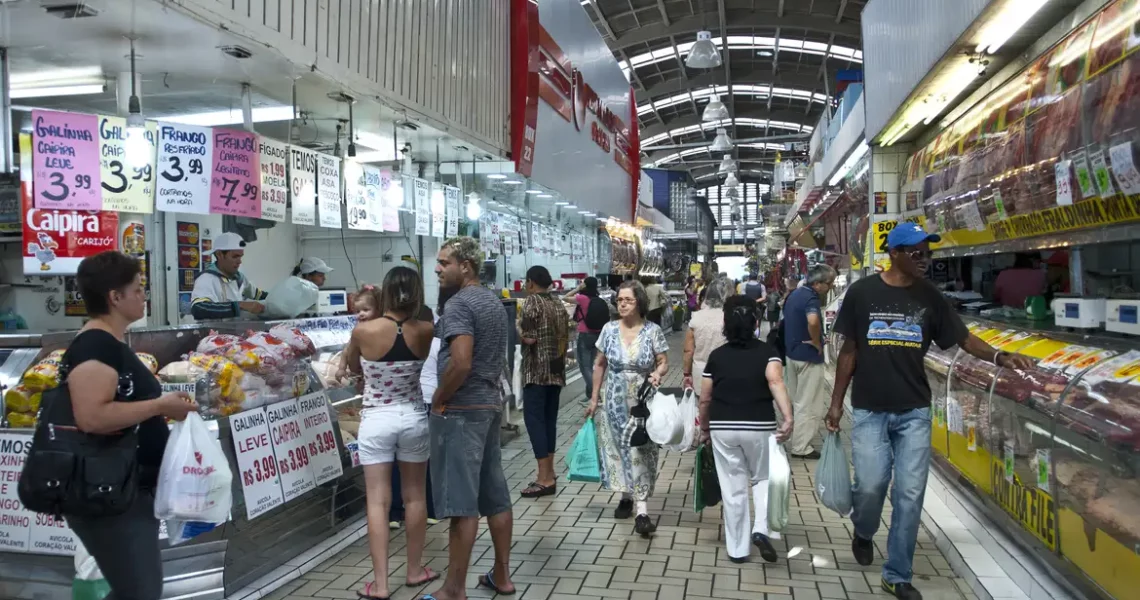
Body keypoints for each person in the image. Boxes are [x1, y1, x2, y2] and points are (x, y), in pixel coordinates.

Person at [828, 223, 1035, 600]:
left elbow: (963, 338)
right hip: (870, 409)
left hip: (914, 412)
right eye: (917, 253)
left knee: (909, 492)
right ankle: (863, 528)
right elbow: (849, 352)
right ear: (894, 253)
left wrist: (1000, 356)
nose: (925, 260)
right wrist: (835, 404)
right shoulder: (861, 294)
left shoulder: (930, 297)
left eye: (928, 253)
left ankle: (897, 574)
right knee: (872, 486)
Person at [62, 251, 198, 600]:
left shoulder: (110, 344)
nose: (144, 296)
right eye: (138, 289)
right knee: (139, 590)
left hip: (126, 488)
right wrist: (158, 405)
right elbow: (92, 417)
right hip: (112, 493)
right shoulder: (95, 346)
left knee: (136, 588)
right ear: (115, 297)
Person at [342, 267, 437, 600]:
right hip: (412, 416)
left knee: (378, 502)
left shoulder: (363, 331)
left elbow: (353, 368)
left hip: (376, 419)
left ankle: (381, 585)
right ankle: (414, 571)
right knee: (415, 497)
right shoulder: (426, 330)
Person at [430, 236, 516, 599]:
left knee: (462, 504)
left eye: (444, 262)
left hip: (462, 408)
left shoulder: (460, 304)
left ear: (465, 266)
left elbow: (461, 361)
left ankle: (453, 589)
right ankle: (502, 576)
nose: (437, 268)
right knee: (495, 495)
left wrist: (438, 398)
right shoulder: (493, 302)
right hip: (490, 404)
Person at [698, 296, 793, 564]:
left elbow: (705, 397)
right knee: (762, 478)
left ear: (726, 324)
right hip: (760, 425)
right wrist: (787, 417)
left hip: (723, 427)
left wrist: (704, 428)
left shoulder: (716, 357)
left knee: (733, 487)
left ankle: (738, 550)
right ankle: (761, 529)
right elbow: (775, 381)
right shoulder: (768, 352)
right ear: (755, 321)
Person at [586, 280, 669, 537]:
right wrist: (594, 397)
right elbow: (599, 364)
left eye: (628, 300)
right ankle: (625, 495)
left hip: (643, 400)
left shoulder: (652, 330)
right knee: (618, 447)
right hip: (615, 399)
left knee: (641, 449)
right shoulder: (609, 330)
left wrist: (657, 374)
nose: (622, 304)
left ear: (639, 303)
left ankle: (642, 511)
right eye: (619, 300)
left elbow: (663, 360)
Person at [517, 266, 570, 498]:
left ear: (530, 282)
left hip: (537, 372)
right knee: (549, 421)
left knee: (534, 421)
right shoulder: (558, 303)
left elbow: (528, 337)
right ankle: (551, 471)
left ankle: (544, 478)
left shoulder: (532, 302)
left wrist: (515, 329)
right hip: (556, 370)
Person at [782, 264, 837, 460]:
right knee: (808, 403)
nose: (830, 287)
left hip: (792, 354)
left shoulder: (794, 294)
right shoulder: (811, 298)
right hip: (808, 357)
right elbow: (813, 321)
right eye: (828, 284)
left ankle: (793, 437)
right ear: (818, 283)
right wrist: (816, 341)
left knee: (796, 400)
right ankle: (801, 446)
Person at [190, 232, 267, 320]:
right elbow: (199, 308)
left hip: (235, 331)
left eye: (240, 257)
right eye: (235, 257)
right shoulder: (206, 279)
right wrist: (240, 305)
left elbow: (258, 294)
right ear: (219, 254)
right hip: (213, 332)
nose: (239, 261)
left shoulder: (239, 278)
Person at [681, 276, 733, 390]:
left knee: (702, 405)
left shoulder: (696, 318)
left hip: (701, 372)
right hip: (727, 372)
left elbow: (689, 351)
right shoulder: (731, 318)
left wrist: (686, 374)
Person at [564, 276, 606, 405]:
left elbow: (565, 298)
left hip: (585, 334)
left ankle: (596, 395)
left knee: (584, 367)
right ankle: (590, 395)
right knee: (591, 366)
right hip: (597, 334)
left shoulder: (582, 298)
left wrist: (577, 288)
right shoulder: (597, 299)